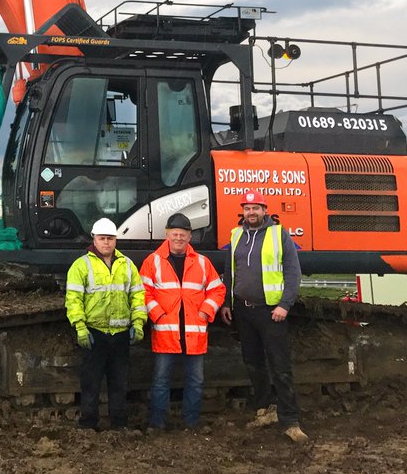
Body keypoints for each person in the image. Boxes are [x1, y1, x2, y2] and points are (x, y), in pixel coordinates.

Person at [218, 190, 308, 443]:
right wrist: (227, 303)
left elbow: (293, 273)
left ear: (265, 210)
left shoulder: (279, 235)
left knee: (280, 366)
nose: (251, 212)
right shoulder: (236, 235)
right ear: (243, 211)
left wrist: (284, 305)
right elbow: (230, 271)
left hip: (271, 312)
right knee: (253, 363)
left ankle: (290, 421)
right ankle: (265, 410)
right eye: (247, 208)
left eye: (256, 208)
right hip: (243, 311)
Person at [141, 212, 225, 430]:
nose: (178, 238)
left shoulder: (202, 262)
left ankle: (191, 424)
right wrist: (158, 314)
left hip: (194, 334)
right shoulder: (153, 261)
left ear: (189, 236)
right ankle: (157, 423)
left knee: (195, 381)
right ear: (167, 235)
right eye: (175, 234)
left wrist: (206, 312)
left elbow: (217, 290)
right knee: (161, 381)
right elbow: (143, 292)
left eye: (183, 234)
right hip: (166, 333)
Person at [64, 217, 147, 430]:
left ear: (115, 240)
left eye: (110, 238)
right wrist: (80, 328)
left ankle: (119, 425)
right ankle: (88, 425)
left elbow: (138, 296)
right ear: (94, 239)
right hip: (95, 334)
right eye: (102, 238)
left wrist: (138, 323)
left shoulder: (127, 265)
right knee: (91, 384)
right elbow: (73, 300)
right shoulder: (81, 266)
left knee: (119, 383)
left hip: (120, 334)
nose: (106, 242)